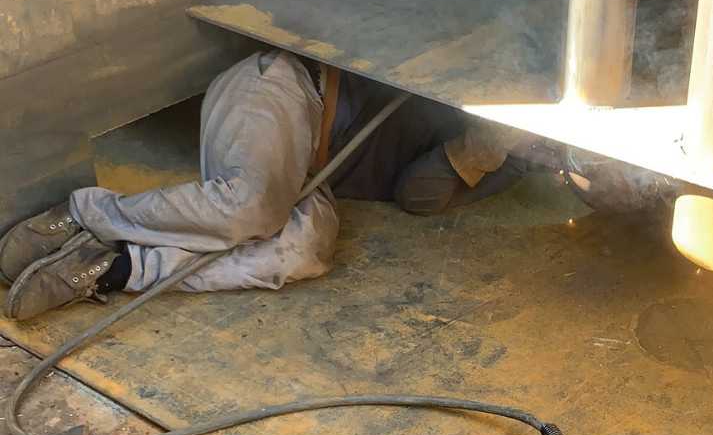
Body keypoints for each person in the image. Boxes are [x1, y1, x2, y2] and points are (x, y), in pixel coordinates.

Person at [0, 49, 531, 321]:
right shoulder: (501, 76)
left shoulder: (503, 161)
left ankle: (114, 267)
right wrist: (507, 117)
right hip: (291, 87)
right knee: (250, 207)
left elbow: (419, 196)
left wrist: (496, 146)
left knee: (303, 252)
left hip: (313, 171)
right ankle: (83, 213)